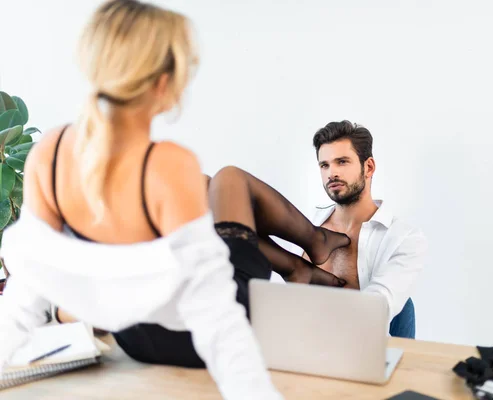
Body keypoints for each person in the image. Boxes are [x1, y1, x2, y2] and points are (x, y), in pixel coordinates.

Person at [0, 1, 350, 398]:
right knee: (228, 181)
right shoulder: (169, 166)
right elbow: (216, 314)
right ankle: (310, 249)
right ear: (163, 82)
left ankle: (302, 262)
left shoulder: (50, 151)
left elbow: (27, 284)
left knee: (211, 188)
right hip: (197, 337)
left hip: (136, 340)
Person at [302, 120, 428, 338]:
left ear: (368, 167)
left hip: (360, 353)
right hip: (301, 345)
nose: (332, 173)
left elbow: (378, 306)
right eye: (325, 165)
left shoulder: (404, 239)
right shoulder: (306, 225)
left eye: (342, 162)